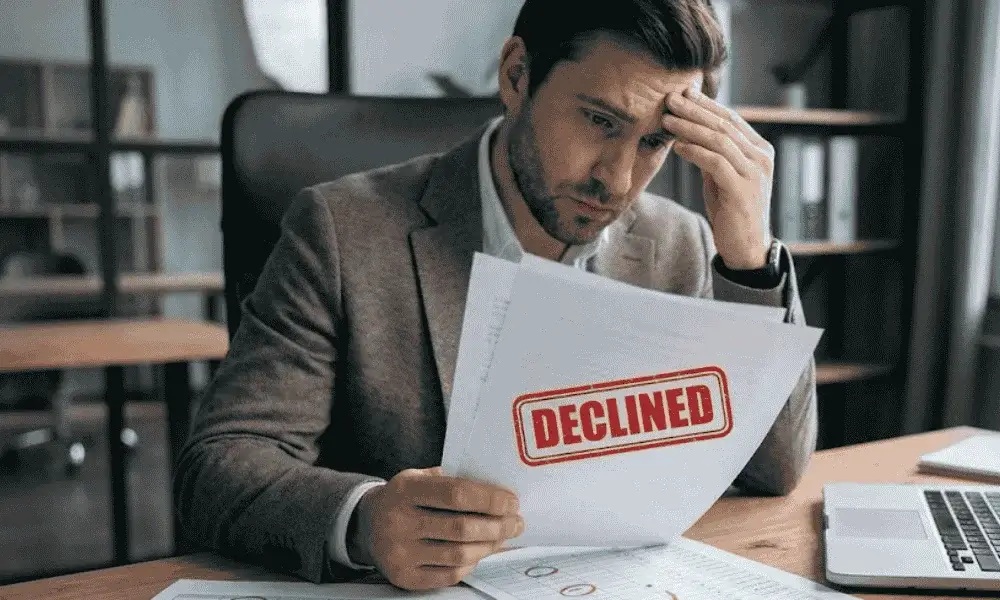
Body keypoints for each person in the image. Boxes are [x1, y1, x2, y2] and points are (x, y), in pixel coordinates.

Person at [175, 0, 817, 591]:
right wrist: (367, 520)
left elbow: (774, 470)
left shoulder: (679, 241)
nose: (618, 180)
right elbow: (218, 471)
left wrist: (750, 258)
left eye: (654, 142)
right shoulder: (340, 230)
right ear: (516, 76)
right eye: (599, 121)